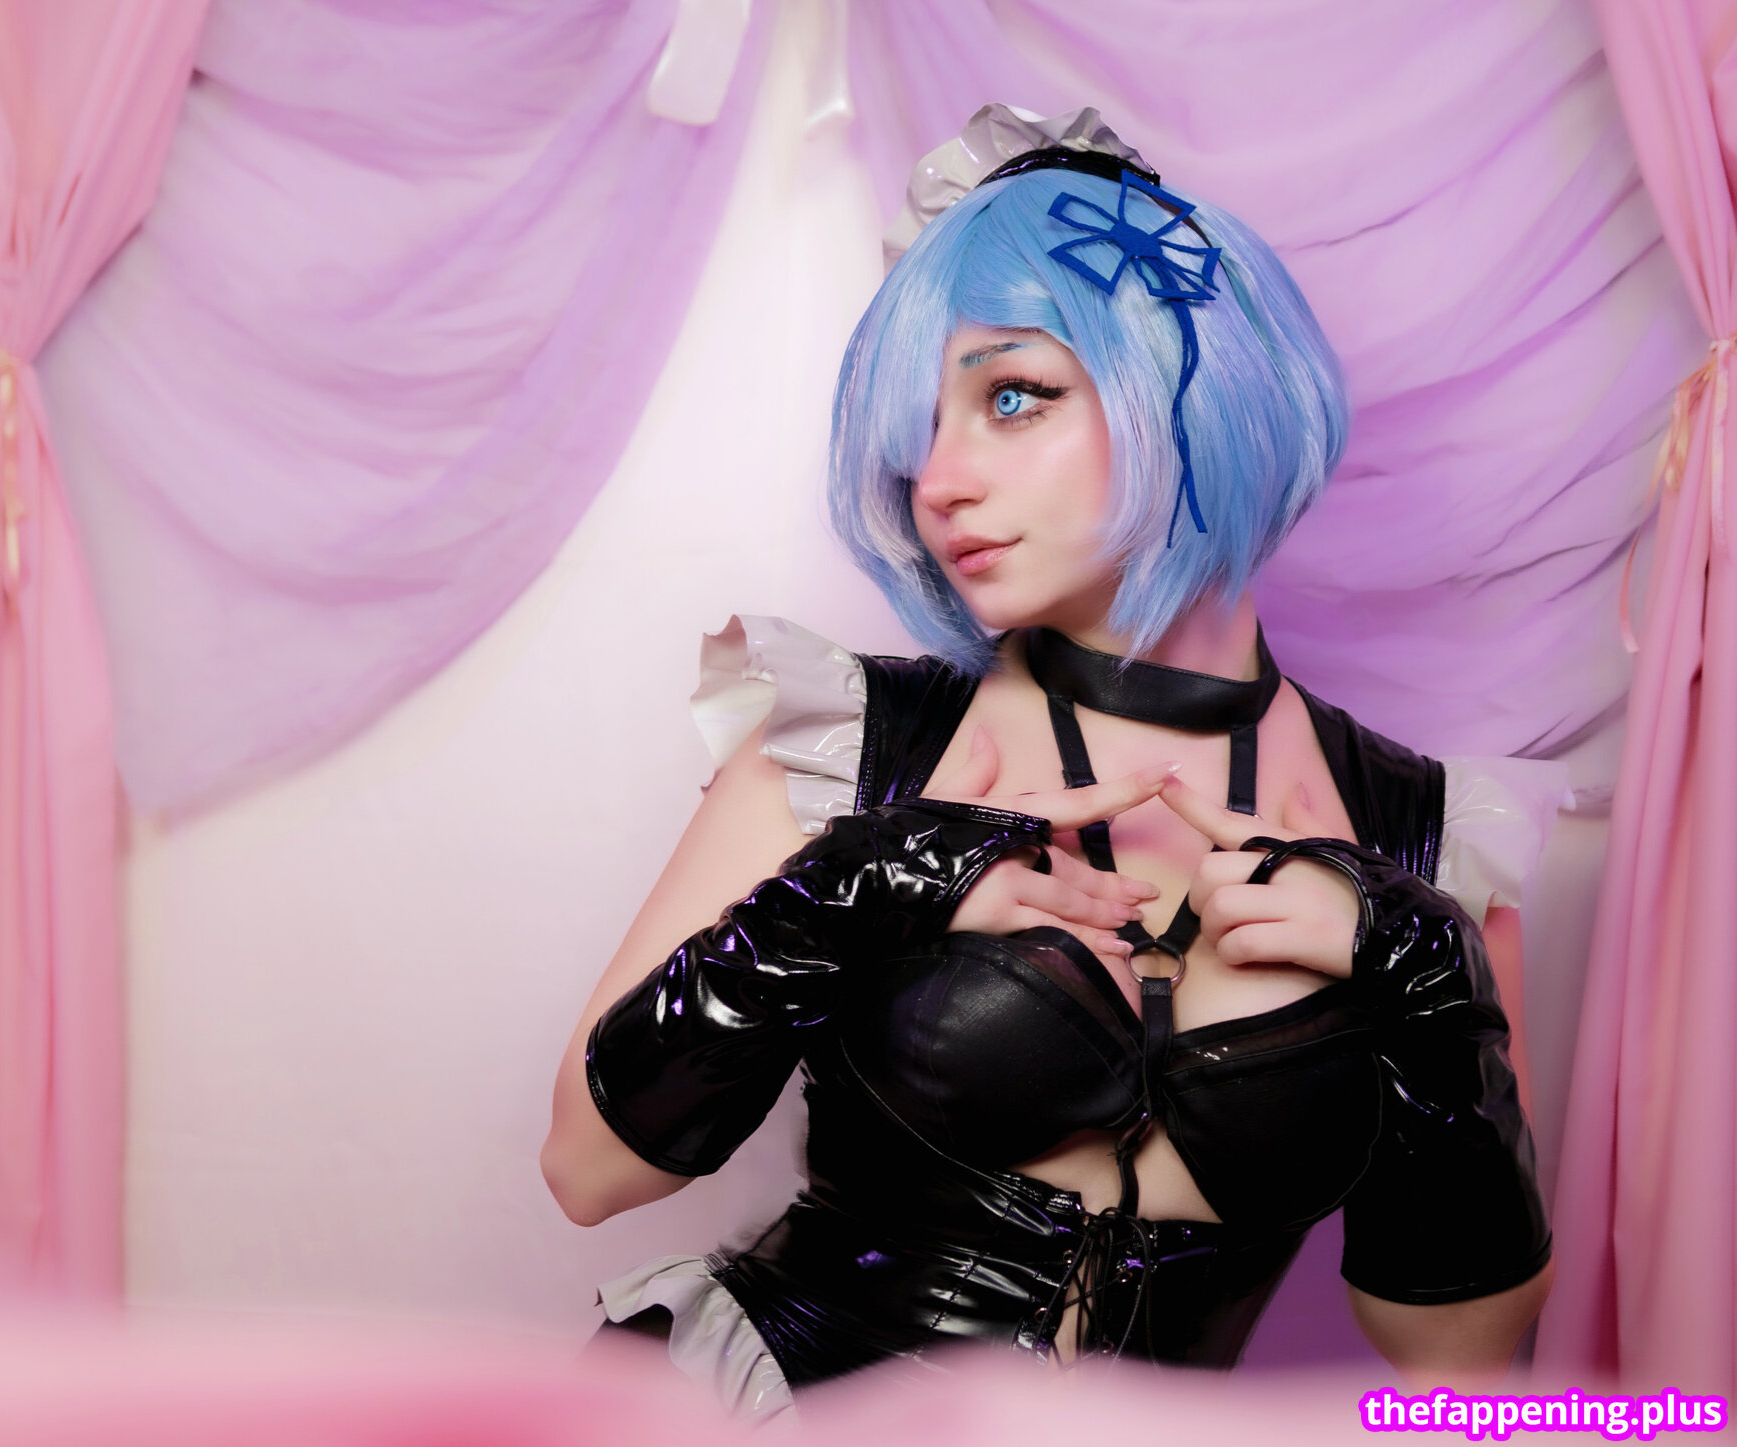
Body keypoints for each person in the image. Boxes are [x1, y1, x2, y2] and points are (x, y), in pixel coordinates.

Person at [540, 105, 1553, 1419]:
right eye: (922, 428)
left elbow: (1460, 1364)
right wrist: (853, 890)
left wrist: (1429, 986)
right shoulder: (851, 752)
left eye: (1012, 396)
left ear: (1190, 389)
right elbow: (588, 1172)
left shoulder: (1426, 839)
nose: (938, 480)